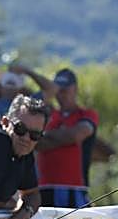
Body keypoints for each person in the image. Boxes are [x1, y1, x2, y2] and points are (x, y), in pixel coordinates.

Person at [35, 67, 96, 208]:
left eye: (65, 90)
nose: (61, 95)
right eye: (58, 91)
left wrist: (47, 136)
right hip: (44, 188)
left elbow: (76, 135)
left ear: (75, 89)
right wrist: (62, 138)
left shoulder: (86, 114)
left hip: (75, 188)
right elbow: (36, 143)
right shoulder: (48, 114)